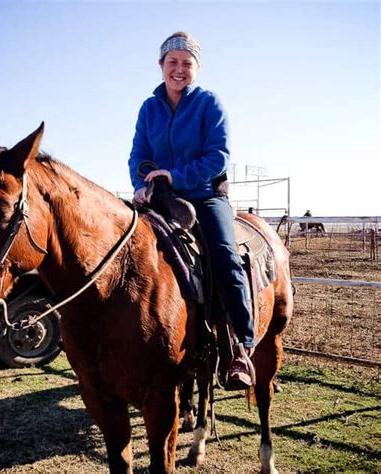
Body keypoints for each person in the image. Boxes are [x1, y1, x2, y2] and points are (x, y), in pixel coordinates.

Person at [128, 31, 255, 389]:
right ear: (161, 66)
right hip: (160, 197)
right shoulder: (148, 108)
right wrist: (142, 184)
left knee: (225, 257)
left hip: (203, 194)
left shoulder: (208, 103)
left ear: (196, 68)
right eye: (172, 62)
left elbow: (219, 157)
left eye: (187, 63)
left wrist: (175, 175)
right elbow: (137, 155)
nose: (179, 70)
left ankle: (239, 347)